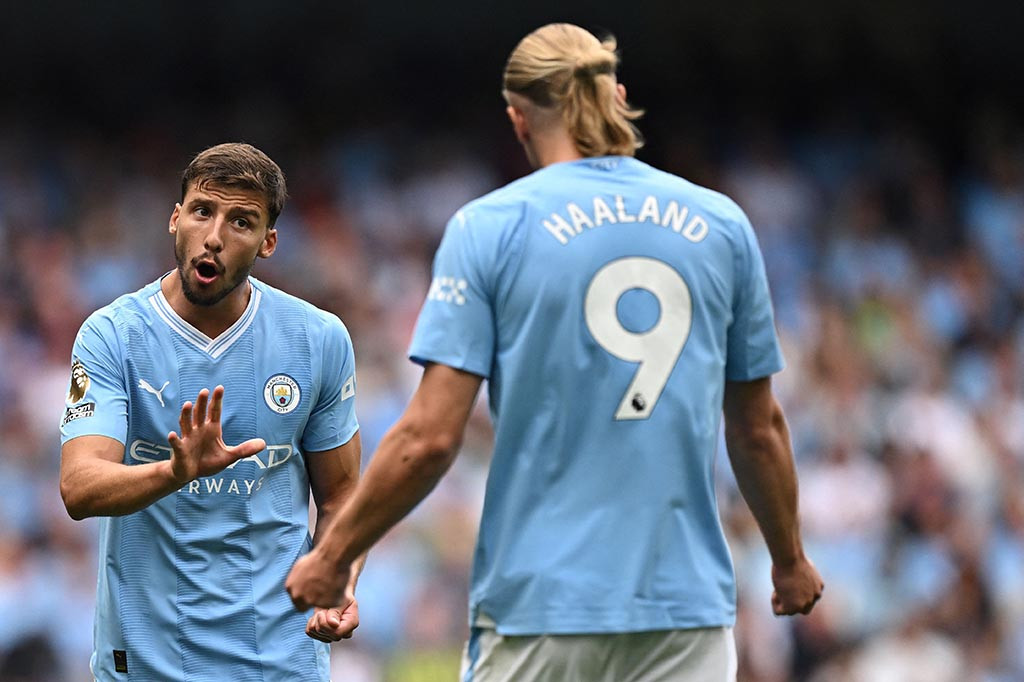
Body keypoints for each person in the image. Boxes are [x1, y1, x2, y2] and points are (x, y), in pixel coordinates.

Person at [286, 23, 823, 681]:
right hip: (684, 612)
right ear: (616, 96)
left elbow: (429, 438)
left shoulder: (491, 227)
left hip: (542, 606)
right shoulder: (721, 224)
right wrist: (789, 561)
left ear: (517, 120)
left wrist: (333, 555)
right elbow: (758, 428)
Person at [60, 143, 362, 681]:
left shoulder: (318, 339)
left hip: (281, 660)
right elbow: (79, 488)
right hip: (147, 662)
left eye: (241, 221)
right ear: (176, 219)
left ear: (268, 242)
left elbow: (340, 497)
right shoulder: (111, 336)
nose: (215, 236)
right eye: (203, 211)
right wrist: (175, 473)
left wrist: (338, 577)